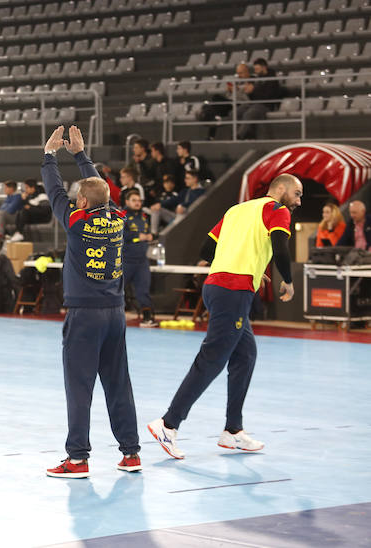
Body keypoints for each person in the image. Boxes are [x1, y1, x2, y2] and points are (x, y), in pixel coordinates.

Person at [148, 174, 303, 459]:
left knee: (245, 356)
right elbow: (280, 246)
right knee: (212, 359)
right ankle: (168, 424)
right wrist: (288, 281)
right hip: (233, 291)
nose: (298, 200)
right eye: (296, 193)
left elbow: (207, 250)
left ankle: (233, 431)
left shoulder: (236, 210)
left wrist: (247, 264)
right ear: (280, 189)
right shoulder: (276, 210)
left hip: (217, 287)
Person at [41, 125, 141, 479]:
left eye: (78, 197)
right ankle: (130, 452)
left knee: (79, 387)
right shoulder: (117, 218)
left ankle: (78, 458)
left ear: (81, 202)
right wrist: (81, 157)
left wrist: (50, 156)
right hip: (115, 313)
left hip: (84, 316)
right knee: (118, 384)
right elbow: (102, 192)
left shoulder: (76, 223)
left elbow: (54, 191)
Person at [122, 190, 156, 327]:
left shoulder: (144, 216)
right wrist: (137, 236)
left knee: (143, 290)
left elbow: (147, 234)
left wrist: (150, 236)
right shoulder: (121, 216)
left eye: (139, 200)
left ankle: (147, 318)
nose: (137, 203)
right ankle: (113, 316)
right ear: (127, 202)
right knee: (117, 289)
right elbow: (120, 234)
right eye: (134, 200)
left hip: (142, 260)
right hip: (125, 259)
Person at [196, 63, 251, 140]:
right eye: (238, 73)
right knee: (216, 107)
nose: (239, 75)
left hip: (240, 104)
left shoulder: (252, 82)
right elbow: (228, 96)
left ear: (247, 72)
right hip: (230, 103)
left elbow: (247, 99)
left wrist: (236, 91)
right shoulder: (238, 82)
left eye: (241, 73)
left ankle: (206, 115)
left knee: (216, 99)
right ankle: (211, 132)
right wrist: (229, 91)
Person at [237, 58, 282, 140]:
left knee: (250, 113)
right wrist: (249, 92)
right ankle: (249, 135)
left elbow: (268, 96)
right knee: (240, 110)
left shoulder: (272, 80)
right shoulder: (257, 79)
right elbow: (254, 98)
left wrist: (254, 90)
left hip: (267, 105)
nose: (255, 71)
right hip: (256, 104)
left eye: (257, 69)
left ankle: (239, 136)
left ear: (264, 67)